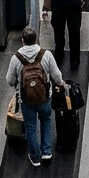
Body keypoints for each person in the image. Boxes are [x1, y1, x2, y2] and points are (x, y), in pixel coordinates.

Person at [5, 27, 64, 166]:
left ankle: (35, 157)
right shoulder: (46, 54)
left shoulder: (16, 58)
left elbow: (9, 80)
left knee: (30, 127)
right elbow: (57, 75)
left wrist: (18, 84)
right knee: (46, 121)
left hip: (26, 100)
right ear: (36, 39)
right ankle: (47, 152)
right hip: (45, 97)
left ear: (23, 41)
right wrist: (61, 84)